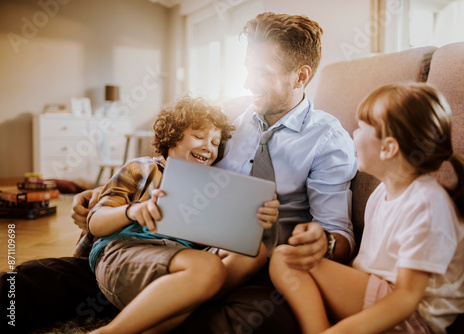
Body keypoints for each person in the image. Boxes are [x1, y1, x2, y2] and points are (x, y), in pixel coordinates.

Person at [1, 12, 357, 333]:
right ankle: (155, 305)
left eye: (261, 72)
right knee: (30, 280)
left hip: (248, 270)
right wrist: (102, 199)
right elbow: (173, 166)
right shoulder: (230, 117)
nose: (247, 82)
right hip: (165, 247)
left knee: (254, 320)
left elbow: (339, 236)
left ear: (301, 76)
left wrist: (321, 242)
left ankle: (146, 311)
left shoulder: (329, 141)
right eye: (246, 68)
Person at [269, 83, 464, 334]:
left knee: (286, 259)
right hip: (378, 292)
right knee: (284, 257)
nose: (353, 134)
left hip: (411, 317)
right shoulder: (382, 192)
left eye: (361, 128)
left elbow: (406, 297)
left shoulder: (427, 205)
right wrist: (325, 245)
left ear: (389, 148)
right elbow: (368, 266)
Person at [86, 95, 279, 334]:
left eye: (215, 142)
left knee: (255, 253)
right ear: (173, 136)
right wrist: (133, 211)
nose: (208, 146)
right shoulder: (142, 169)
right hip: (126, 253)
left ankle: (161, 316)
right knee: (207, 268)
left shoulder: (213, 188)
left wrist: (257, 217)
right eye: (198, 136)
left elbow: (228, 239)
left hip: (183, 264)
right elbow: (95, 223)